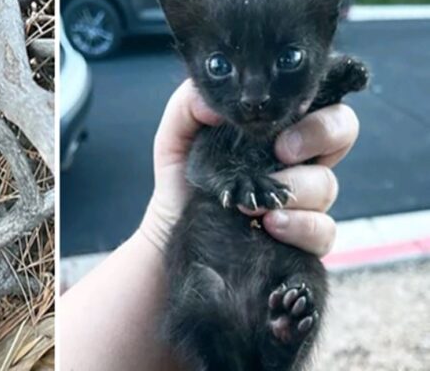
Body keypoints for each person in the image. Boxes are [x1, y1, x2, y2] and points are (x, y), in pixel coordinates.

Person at [59, 79, 360, 370]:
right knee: (210, 301)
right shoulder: (215, 124)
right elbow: (204, 163)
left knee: (301, 278)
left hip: (253, 265)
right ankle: (268, 343)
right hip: (216, 268)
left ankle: (277, 344)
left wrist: (325, 89)